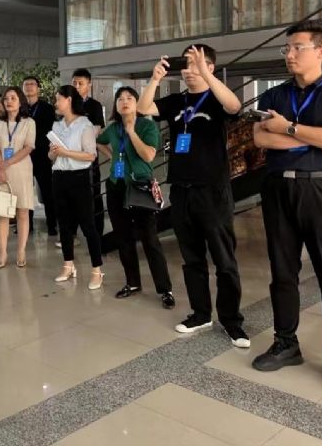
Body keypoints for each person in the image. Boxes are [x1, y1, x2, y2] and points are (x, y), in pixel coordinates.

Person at [252, 20, 322, 396]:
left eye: (297, 47)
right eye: (287, 48)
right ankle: (286, 343)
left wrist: (289, 129)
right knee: (283, 273)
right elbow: (261, 140)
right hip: (278, 189)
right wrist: (316, 137)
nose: (290, 54)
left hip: (321, 190)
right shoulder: (273, 95)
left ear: (321, 51)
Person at [138, 44, 249, 347]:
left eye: (195, 64)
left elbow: (234, 106)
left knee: (224, 260)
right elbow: (144, 108)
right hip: (182, 191)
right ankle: (201, 313)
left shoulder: (216, 99)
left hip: (212, 191)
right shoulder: (177, 101)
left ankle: (232, 321)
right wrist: (155, 79)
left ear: (210, 67)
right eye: (185, 65)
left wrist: (207, 75)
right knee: (192, 258)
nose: (188, 71)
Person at [97, 87, 175, 308]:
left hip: (140, 187)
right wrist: (112, 155)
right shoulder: (113, 128)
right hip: (116, 186)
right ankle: (132, 283)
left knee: (150, 239)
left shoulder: (147, 126)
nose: (124, 101)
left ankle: (165, 289)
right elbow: (99, 140)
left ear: (137, 103)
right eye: (120, 99)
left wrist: (131, 132)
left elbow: (149, 155)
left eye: (129, 98)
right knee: (123, 238)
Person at [49, 86, 104, 290]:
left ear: (69, 100)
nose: (56, 103)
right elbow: (51, 156)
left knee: (88, 225)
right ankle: (68, 265)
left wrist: (66, 152)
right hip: (59, 177)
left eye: (58, 99)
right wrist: (54, 153)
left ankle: (97, 270)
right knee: (64, 225)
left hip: (79, 178)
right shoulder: (56, 126)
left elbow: (91, 155)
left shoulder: (85, 125)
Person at [0, 87, 36, 268]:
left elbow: (28, 147)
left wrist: (7, 163)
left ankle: (21, 251)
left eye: (13, 98)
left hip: (22, 170)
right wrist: (1, 168)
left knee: (22, 212)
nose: (9, 101)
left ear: (20, 102)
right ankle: (2, 253)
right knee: (3, 213)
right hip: (1, 171)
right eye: (6, 99)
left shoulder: (28, 122)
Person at [22, 76, 58, 236]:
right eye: (26, 84)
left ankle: (52, 225)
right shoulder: (20, 108)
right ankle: (26, 225)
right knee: (25, 192)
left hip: (42, 155)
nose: (29, 87)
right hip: (23, 156)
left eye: (32, 84)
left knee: (47, 191)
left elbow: (51, 131)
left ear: (38, 88)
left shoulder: (47, 108)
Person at [72, 68, 106, 237]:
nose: (77, 86)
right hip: (69, 158)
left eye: (81, 83)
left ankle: (97, 234)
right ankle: (71, 234)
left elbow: (96, 131)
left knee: (93, 195)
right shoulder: (66, 104)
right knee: (71, 197)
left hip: (88, 159)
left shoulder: (95, 106)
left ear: (89, 85)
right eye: (74, 83)